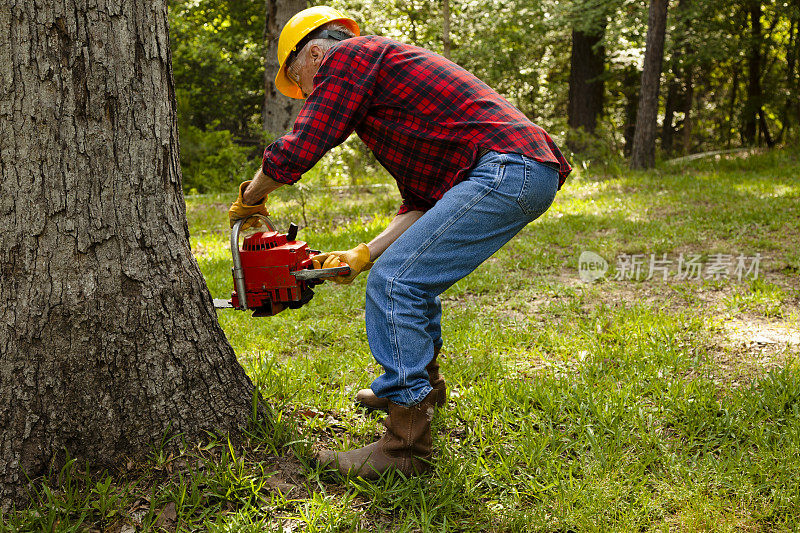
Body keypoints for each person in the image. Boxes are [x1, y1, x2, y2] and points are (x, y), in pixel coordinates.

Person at [228, 6, 571, 479]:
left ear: (313, 54)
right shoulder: (385, 96)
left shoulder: (350, 56)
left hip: (508, 168)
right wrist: (363, 254)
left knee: (397, 285)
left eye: (300, 82)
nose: (307, 94)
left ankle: (405, 449)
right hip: (513, 169)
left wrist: (252, 194)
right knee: (404, 278)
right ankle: (414, 387)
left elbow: (308, 139)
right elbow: (421, 203)